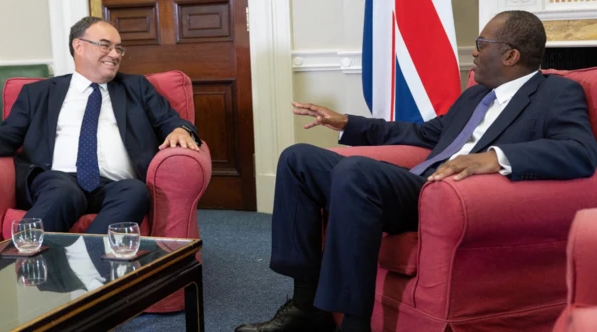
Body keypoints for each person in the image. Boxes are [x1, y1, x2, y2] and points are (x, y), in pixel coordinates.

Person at [235, 10, 597, 332]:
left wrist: (494, 157)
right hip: (416, 186)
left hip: (449, 197)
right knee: (298, 159)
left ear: (510, 54)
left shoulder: (557, 93)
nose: (472, 51)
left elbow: (580, 151)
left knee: (356, 172)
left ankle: (354, 321)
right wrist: (348, 123)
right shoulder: (474, 95)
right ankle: (305, 305)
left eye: (480, 43)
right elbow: (420, 134)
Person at [0, 17, 201, 234]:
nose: (115, 54)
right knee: (64, 192)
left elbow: (168, 119)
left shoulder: (136, 87)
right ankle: (20, 263)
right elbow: (9, 133)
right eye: (105, 45)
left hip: (116, 184)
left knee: (136, 192)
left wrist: (180, 130)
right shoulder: (39, 93)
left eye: (119, 48)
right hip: (56, 180)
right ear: (78, 45)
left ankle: (84, 266)